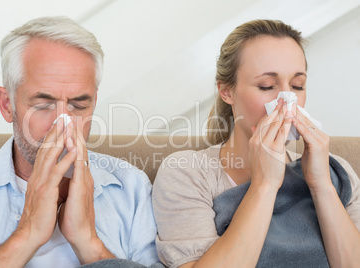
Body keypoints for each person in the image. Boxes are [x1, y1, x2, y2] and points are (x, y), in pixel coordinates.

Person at [152, 19, 360, 268]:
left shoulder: (338, 172)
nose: (286, 101)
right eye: (267, 86)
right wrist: (265, 185)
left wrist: (321, 185)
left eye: (297, 86)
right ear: (227, 91)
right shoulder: (187, 172)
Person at [0, 16, 160, 267]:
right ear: (7, 104)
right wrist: (27, 234)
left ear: (94, 103)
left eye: (78, 105)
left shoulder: (132, 188)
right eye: (43, 105)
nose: (62, 122)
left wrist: (88, 241)